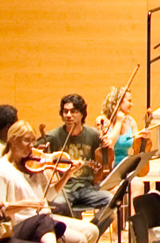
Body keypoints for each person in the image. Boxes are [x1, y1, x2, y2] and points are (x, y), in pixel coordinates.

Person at [42, 94, 115, 226]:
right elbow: (41, 161)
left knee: (111, 200)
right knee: (57, 205)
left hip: (87, 188)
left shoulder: (93, 135)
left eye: (73, 111)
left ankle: (92, 232)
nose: (68, 115)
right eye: (65, 111)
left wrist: (107, 147)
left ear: (82, 114)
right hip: (64, 189)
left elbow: (106, 162)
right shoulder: (53, 136)